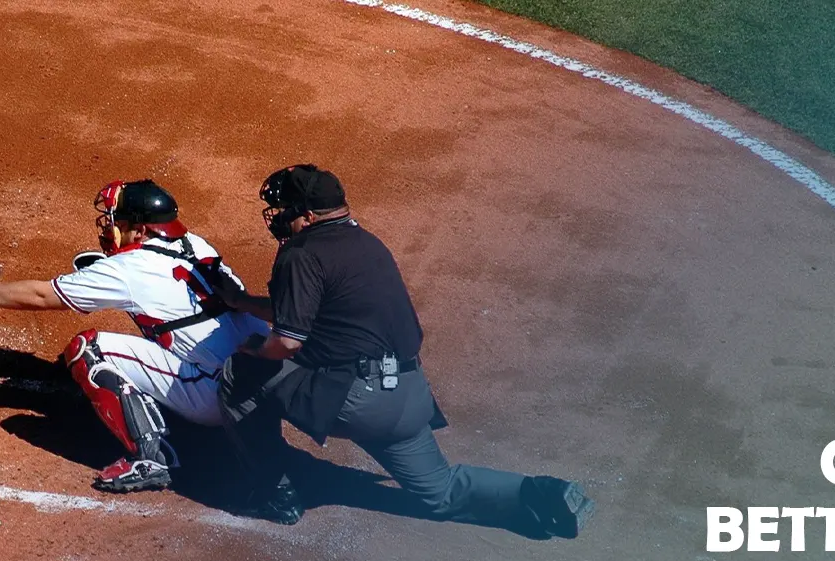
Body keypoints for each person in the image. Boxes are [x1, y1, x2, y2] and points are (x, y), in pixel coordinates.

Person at [217, 164, 593, 537]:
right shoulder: (368, 244)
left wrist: (258, 351)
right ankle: (545, 492)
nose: (281, 218)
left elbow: (287, 340)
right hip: (409, 397)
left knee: (242, 371)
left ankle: (273, 494)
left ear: (308, 215)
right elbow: (306, 310)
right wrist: (243, 302)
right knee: (439, 491)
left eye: (287, 210)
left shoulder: (301, 254)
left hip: (357, 402)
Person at [0, 179, 268, 492]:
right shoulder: (196, 244)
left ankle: (152, 459)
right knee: (171, 326)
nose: (110, 227)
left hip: (217, 397)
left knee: (88, 350)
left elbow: (42, 296)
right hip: (265, 377)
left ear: (140, 230)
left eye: (119, 222)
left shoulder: (125, 271)